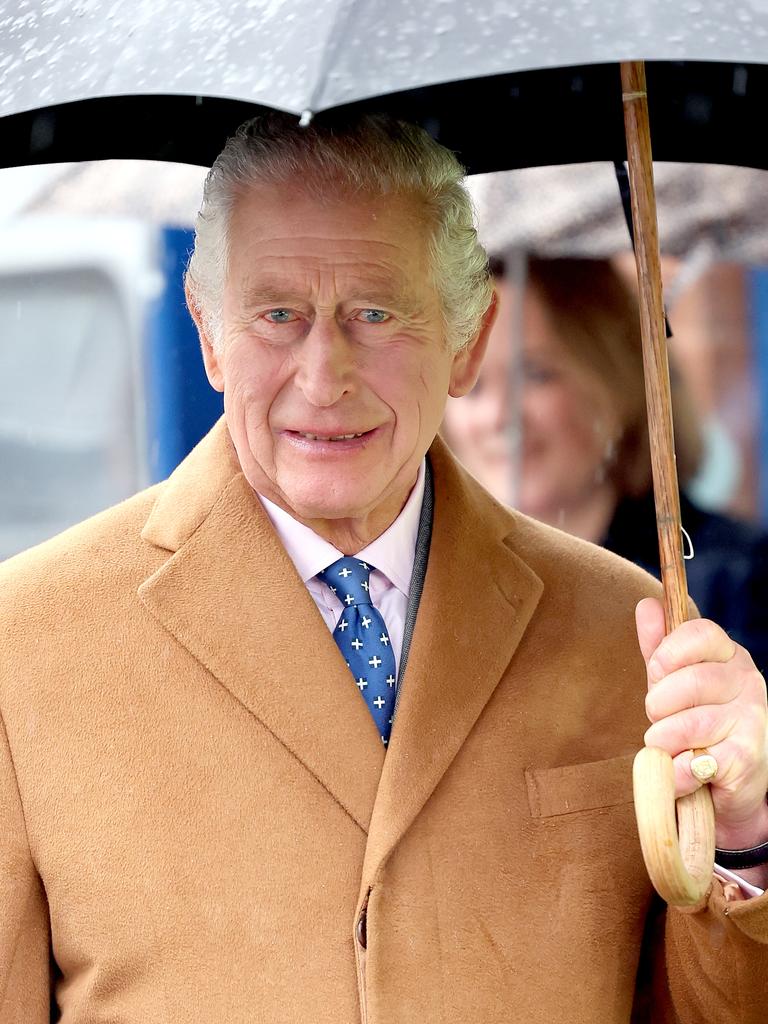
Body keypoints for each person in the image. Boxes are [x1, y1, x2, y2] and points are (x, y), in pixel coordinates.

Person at [0, 115, 766, 1023]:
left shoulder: (626, 632)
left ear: (468, 338)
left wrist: (749, 838)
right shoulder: (27, 641)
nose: (324, 376)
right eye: (278, 314)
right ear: (208, 334)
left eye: (376, 312)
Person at [442, 256, 768, 676]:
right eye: (474, 383)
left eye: (537, 373)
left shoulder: (738, 581)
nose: (499, 417)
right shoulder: (428, 588)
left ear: (616, 377)